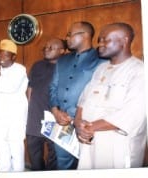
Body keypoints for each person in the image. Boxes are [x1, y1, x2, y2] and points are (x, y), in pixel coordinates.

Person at [74, 22, 147, 169]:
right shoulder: (101, 69)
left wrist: (89, 127)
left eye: (105, 39)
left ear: (124, 41)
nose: (100, 44)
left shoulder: (140, 71)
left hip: (117, 147)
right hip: (89, 143)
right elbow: (83, 101)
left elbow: (132, 115)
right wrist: (77, 124)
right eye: (99, 40)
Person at [49, 21, 105, 169]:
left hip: (88, 125)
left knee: (89, 164)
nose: (66, 38)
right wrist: (55, 111)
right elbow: (53, 88)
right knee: (62, 162)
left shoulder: (102, 59)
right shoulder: (63, 60)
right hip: (63, 122)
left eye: (70, 34)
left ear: (85, 35)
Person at [0, 39, 28, 172]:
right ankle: (4, 172)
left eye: (5, 55)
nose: (1, 57)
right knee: (0, 146)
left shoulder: (20, 69)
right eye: (0, 54)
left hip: (15, 116)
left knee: (16, 147)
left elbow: (11, 88)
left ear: (13, 57)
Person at [26, 38, 66, 171]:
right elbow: (30, 88)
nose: (47, 49)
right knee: (34, 152)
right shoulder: (37, 65)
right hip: (35, 116)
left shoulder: (67, 67)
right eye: (46, 47)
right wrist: (30, 109)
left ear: (62, 50)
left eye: (51, 47)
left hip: (55, 118)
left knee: (54, 154)